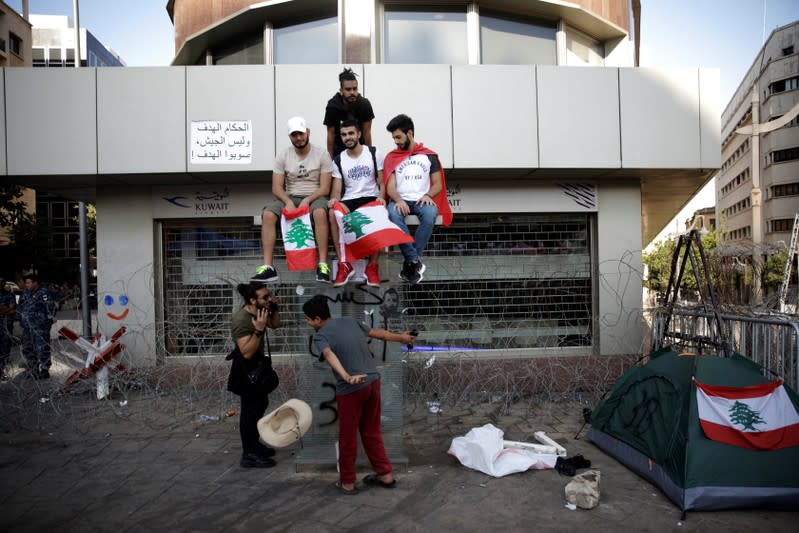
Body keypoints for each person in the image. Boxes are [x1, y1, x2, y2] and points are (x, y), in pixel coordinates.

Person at [302, 294, 415, 494]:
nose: (307, 322)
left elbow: (329, 355)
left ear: (317, 320)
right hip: (373, 381)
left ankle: (347, 482)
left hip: (352, 388)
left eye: (308, 319)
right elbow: (380, 334)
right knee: (371, 431)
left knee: (347, 436)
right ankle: (385, 475)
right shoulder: (349, 321)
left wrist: (346, 377)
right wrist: (403, 338)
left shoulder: (321, 335)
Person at [252, 116, 333, 284]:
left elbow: (325, 188)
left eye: (301, 134)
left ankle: (323, 265)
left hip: (315, 196)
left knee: (319, 213)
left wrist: (308, 199)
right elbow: (276, 188)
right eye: (294, 135)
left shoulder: (322, 154)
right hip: (290, 196)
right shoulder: (283, 155)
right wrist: (287, 201)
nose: (298, 138)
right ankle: (268, 267)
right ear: (290, 137)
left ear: (308, 132)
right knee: (267, 214)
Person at [383, 114, 453, 284]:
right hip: (401, 200)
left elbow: (438, 184)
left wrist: (428, 195)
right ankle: (414, 260)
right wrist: (398, 200)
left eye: (398, 137)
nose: (396, 142)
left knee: (430, 214)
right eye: (394, 138)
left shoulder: (429, 156)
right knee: (392, 215)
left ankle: (410, 262)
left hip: (422, 200)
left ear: (410, 133)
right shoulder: (392, 157)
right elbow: (390, 186)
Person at [328, 119, 385, 287]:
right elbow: (337, 191)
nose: (348, 137)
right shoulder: (338, 160)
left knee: (379, 211)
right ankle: (344, 264)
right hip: (350, 200)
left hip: (371, 197)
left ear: (359, 134)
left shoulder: (374, 153)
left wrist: (381, 196)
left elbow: (381, 182)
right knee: (333, 212)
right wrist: (333, 200)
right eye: (344, 135)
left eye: (351, 133)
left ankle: (372, 266)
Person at [230, 282, 281, 468]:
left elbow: (275, 324)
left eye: (269, 296)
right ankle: (249, 454)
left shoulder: (260, 310)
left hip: (258, 366)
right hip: (246, 369)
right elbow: (246, 352)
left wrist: (273, 307)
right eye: (265, 297)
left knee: (261, 404)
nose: (269, 299)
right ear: (252, 300)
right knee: (250, 411)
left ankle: (255, 444)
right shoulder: (241, 320)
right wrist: (258, 330)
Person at [324, 68, 375, 157]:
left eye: (355, 89)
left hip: (359, 149)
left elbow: (367, 132)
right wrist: (330, 160)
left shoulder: (364, 104)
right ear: (341, 91)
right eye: (348, 89)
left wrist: (369, 156)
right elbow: (330, 134)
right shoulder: (333, 106)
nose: (352, 92)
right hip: (339, 149)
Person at [17, 273, 57, 379]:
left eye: (29, 282)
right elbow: (20, 307)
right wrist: (21, 320)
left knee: (42, 348)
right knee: (28, 348)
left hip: (41, 326)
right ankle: (33, 369)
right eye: (26, 283)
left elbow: (51, 307)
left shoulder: (44, 293)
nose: (26, 285)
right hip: (27, 327)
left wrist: (47, 322)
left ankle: (44, 369)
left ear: (35, 283)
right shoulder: (25, 293)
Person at [0, 276, 16, 380]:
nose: (0, 284)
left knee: (5, 349)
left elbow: (12, 308)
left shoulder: (9, 294)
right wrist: (5, 308)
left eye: (2, 282)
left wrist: (4, 309)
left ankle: (2, 370)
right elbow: (8, 308)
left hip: (6, 325)